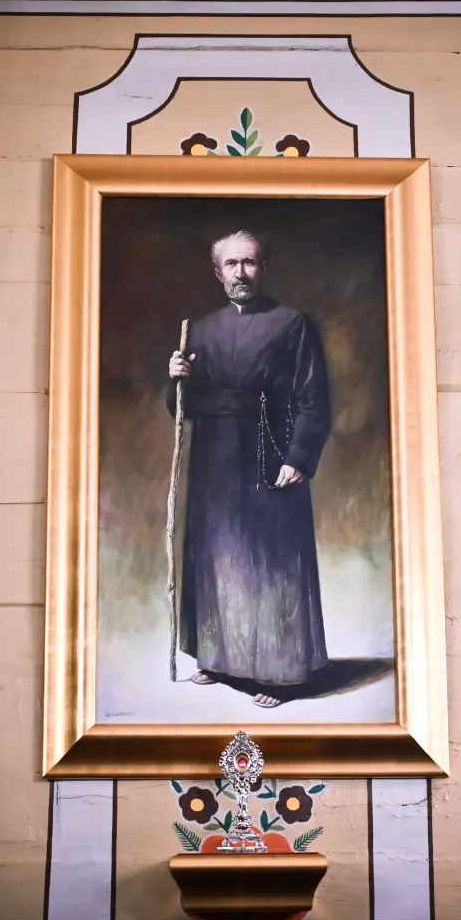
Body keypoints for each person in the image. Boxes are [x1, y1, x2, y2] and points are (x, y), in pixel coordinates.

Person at [167, 230, 331, 708]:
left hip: (270, 450)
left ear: (263, 268)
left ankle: (279, 674)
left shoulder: (293, 324)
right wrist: (175, 379)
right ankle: (218, 659)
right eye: (232, 264)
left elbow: (313, 398)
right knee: (217, 555)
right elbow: (181, 409)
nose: (241, 273)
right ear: (218, 272)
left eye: (250, 263)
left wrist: (299, 457)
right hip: (214, 459)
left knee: (271, 560)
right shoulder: (199, 330)